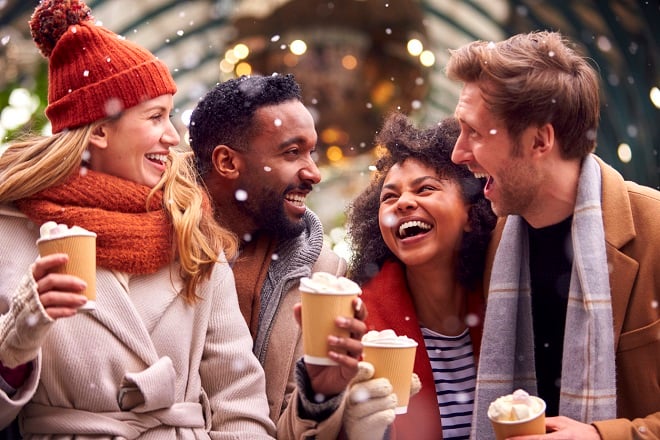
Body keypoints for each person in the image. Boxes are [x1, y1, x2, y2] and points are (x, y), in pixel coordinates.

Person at [0, 0, 275, 437]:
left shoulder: (189, 228)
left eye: (171, 114)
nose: (172, 136)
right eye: (155, 117)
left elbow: (238, 400)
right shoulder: (10, 232)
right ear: (101, 129)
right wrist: (16, 336)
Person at [447, 30, 660, 440]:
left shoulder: (654, 228)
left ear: (540, 141)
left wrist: (605, 436)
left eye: (473, 131)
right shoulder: (486, 240)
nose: (459, 153)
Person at [188, 73, 396, 439]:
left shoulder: (324, 274)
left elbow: (285, 427)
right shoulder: (155, 245)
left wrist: (320, 394)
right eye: (292, 152)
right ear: (226, 162)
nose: (313, 173)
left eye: (311, 152)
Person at [344, 112, 496, 440]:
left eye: (425, 189)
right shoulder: (356, 323)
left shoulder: (509, 300)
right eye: (389, 196)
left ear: (472, 213)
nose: (403, 203)